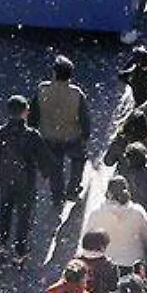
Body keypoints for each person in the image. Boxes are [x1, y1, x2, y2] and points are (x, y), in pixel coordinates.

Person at [0, 94, 49, 259]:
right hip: (26, 181)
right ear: (25, 112)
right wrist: (45, 173)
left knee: (4, 211)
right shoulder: (32, 135)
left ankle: (3, 241)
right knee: (24, 215)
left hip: (4, 178)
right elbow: (44, 158)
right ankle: (20, 248)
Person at [31, 56, 92, 206]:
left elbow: (33, 115)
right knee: (78, 160)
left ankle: (57, 197)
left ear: (53, 73)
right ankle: (73, 188)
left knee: (55, 168)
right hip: (72, 136)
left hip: (49, 136)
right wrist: (85, 135)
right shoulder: (76, 93)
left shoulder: (42, 90)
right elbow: (85, 118)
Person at [86, 176, 147, 270]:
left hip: (106, 263)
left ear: (108, 193)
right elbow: (146, 238)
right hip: (134, 262)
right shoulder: (138, 211)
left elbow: (88, 240)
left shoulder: (96, 213)